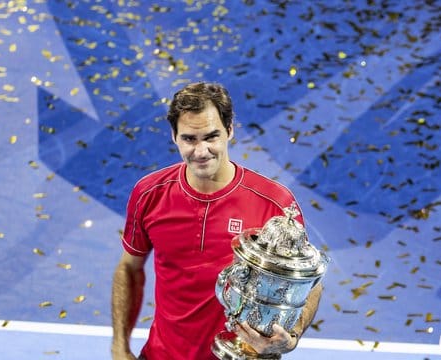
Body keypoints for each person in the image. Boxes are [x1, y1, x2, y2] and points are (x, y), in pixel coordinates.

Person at [111, 81, 323, 360]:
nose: (200, 151)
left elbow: (310, 281)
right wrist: (119, 346)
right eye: (189, 139)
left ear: (230, 130)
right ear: (174, 136)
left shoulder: (274, 203)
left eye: (211, 137)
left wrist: (291, 335)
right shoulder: (149, 193)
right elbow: (129, 268)